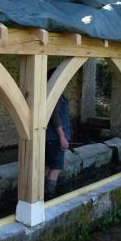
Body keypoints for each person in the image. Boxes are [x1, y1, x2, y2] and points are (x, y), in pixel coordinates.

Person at [45, 68, 71, 198]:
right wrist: (62, 137)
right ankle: (49, 196)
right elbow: (54, 116)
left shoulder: (48, 93)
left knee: (48, 165)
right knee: (55, 167)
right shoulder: (54, 95)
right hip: (55, 137)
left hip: (50, 137)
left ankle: (42, 195)